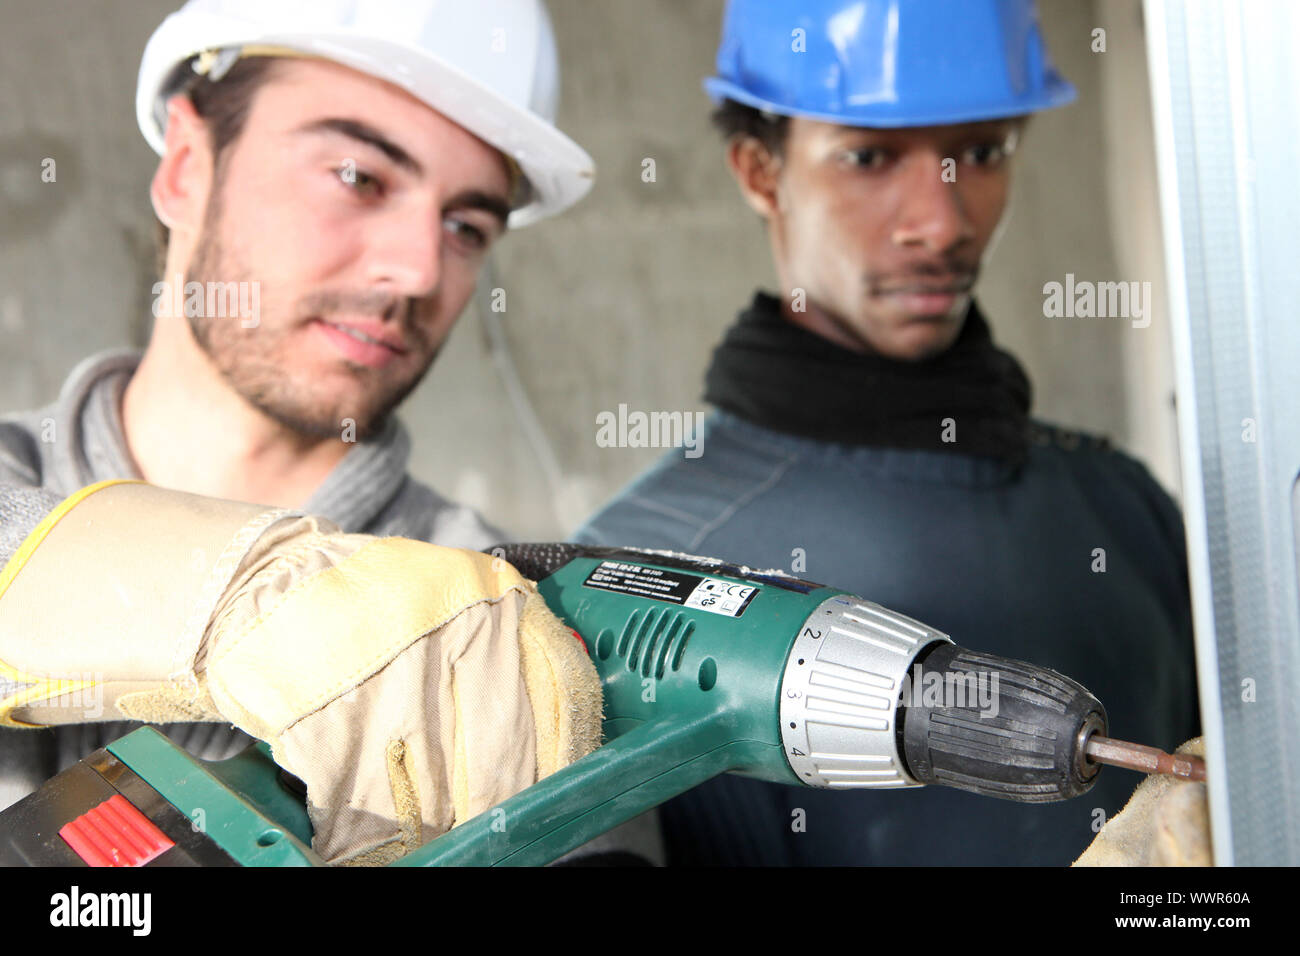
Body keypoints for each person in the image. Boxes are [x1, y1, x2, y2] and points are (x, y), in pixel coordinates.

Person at [574, 0, 1201, 865]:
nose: (941, 224)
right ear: (761, 172)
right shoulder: (632, 574)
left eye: (979, 153)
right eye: (868, 157)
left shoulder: (1128, 509)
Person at [0, 0, 614, 865]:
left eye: (466, 225)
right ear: (185, 166)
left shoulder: (508, 631)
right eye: (360, 175)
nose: (419, 269)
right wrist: (248, 592)